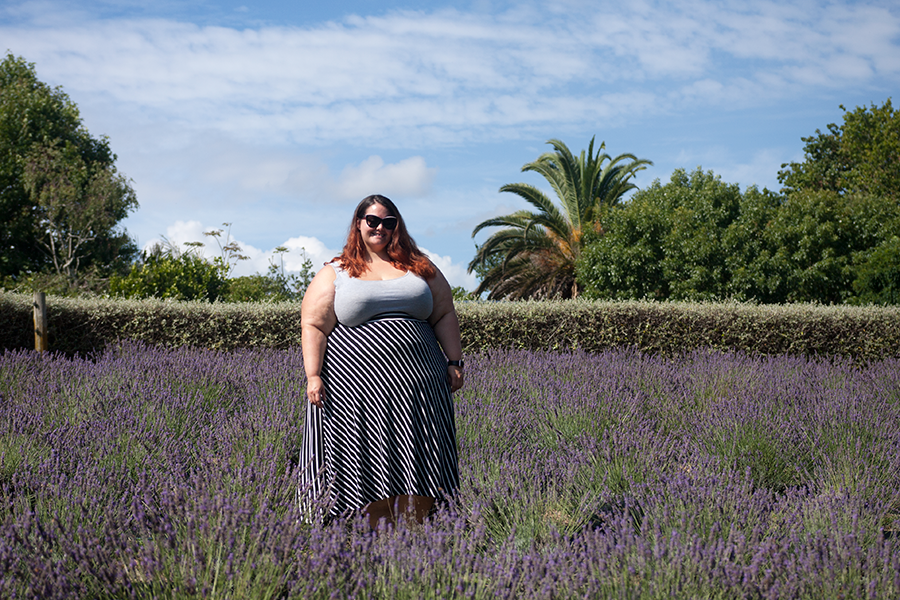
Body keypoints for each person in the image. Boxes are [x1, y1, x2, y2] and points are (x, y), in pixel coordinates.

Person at [299, 194, 463, 529]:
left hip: (420, 389)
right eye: (372, 221)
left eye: (389, 222)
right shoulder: (337, 272)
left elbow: (445, 312)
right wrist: (313, 375)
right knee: (367, 461)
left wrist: (454, 360)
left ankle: (416, 537)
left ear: (397, 227)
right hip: (357, 392)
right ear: (358, 224)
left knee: (422, 458)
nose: (380, 228)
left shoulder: (421, 268)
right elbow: (314, 323)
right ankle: (368, 539)